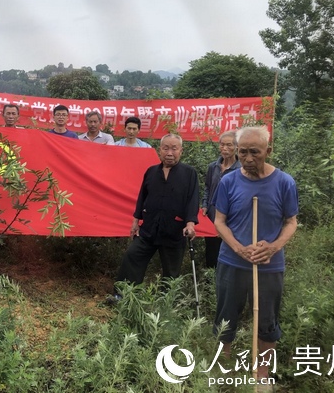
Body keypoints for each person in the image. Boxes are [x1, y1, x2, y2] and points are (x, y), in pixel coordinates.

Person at [213, 125, 298, 384]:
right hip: (232, 261)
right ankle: (223, 370)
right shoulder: (228, 181)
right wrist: (239, 248)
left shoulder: (284, 182)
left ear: (268, 151)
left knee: (267, 320)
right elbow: (219, 221)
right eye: (242, 152)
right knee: (225, 315)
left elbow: (291, 221)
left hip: (269, 266)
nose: (248, 159)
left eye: (255, 152)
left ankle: (262, 375)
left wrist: (272, 247)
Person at [114, 134, 199, 295]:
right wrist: (135, 221)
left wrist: (190, 223)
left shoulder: (189, 173)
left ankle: (165, 304)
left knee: (171, 272)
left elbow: (192, 200)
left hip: (174, 230)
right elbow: (142, 197)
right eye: (165, 148)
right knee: (132, 256)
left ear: (181, 150)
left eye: (174, 148)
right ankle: (123, 295)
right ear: (159, 150)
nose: (169, 153)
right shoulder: (151, 171)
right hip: (149, 229)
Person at [201, 131, 241, 268]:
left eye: (229, 145)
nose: (224, 148)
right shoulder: (213, 167)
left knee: (229, 250)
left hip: (231, 218)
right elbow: (207, 187)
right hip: (212, 216)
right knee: (212, 252)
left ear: (237, 146)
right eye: (222, 144)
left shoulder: (241, 169)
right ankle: (210, 284)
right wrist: (205, 205)